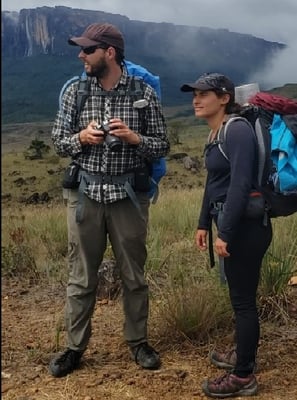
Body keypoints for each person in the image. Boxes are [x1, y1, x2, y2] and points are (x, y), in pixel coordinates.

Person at [49, 22, 170, 378]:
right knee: (81, 277)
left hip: (128, 198)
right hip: (85, 195)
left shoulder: (143, 91)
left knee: (134, 275)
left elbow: (163, 144)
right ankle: (74, 348)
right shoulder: (75, 90)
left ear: (110, 53)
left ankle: (138, 342)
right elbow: (58, 140)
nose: (81, 55)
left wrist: (135, 139)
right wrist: (81, 139)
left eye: (88, 50)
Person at [180, 73, 272, 398]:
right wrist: (204, 222)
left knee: (243, 302)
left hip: (246, 229)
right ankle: (242, 354)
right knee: (239, 297)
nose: (196, 99)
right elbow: (215, 182)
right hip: (235, 226)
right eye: (194, 93)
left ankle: (244, 375)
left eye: (204, 94)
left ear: (224, 98)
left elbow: (240, 185)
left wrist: (227, 233)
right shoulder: (217, 133)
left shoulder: (237, 131)